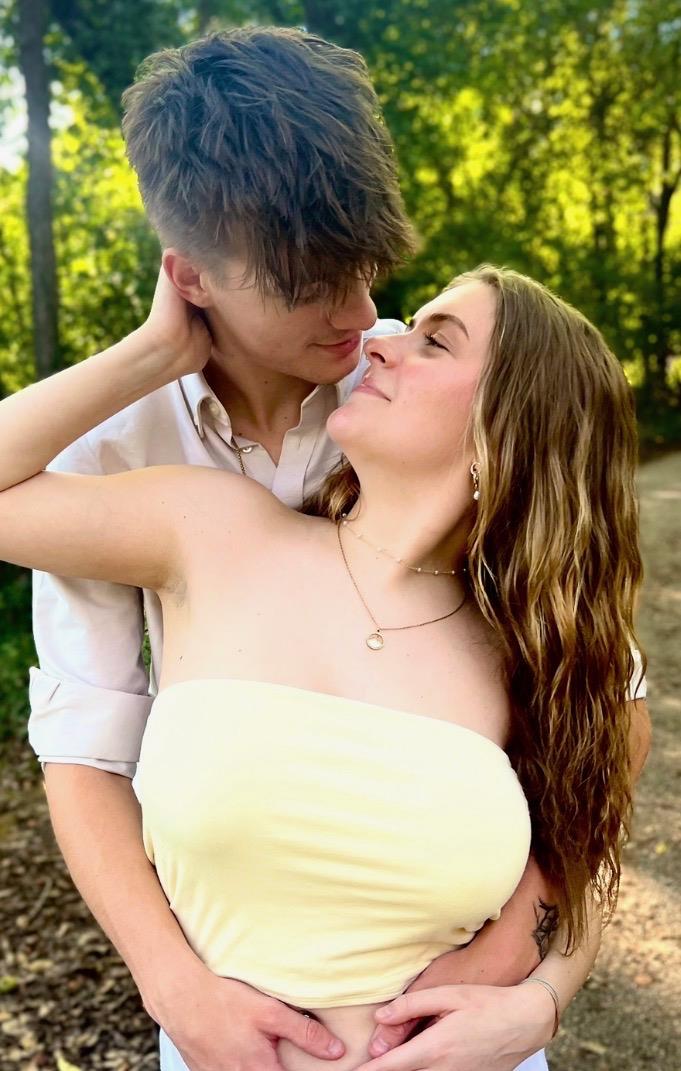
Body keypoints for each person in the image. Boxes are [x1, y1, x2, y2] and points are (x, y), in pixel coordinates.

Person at [22, 26, 649, 1071]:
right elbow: (85, 747)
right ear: (194, 277)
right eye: (314, 282)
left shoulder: (405, 383)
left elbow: (603, 718)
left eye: (367, 269)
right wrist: (176, 990)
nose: (366, 318)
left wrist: (526, 974)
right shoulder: (124, 461)